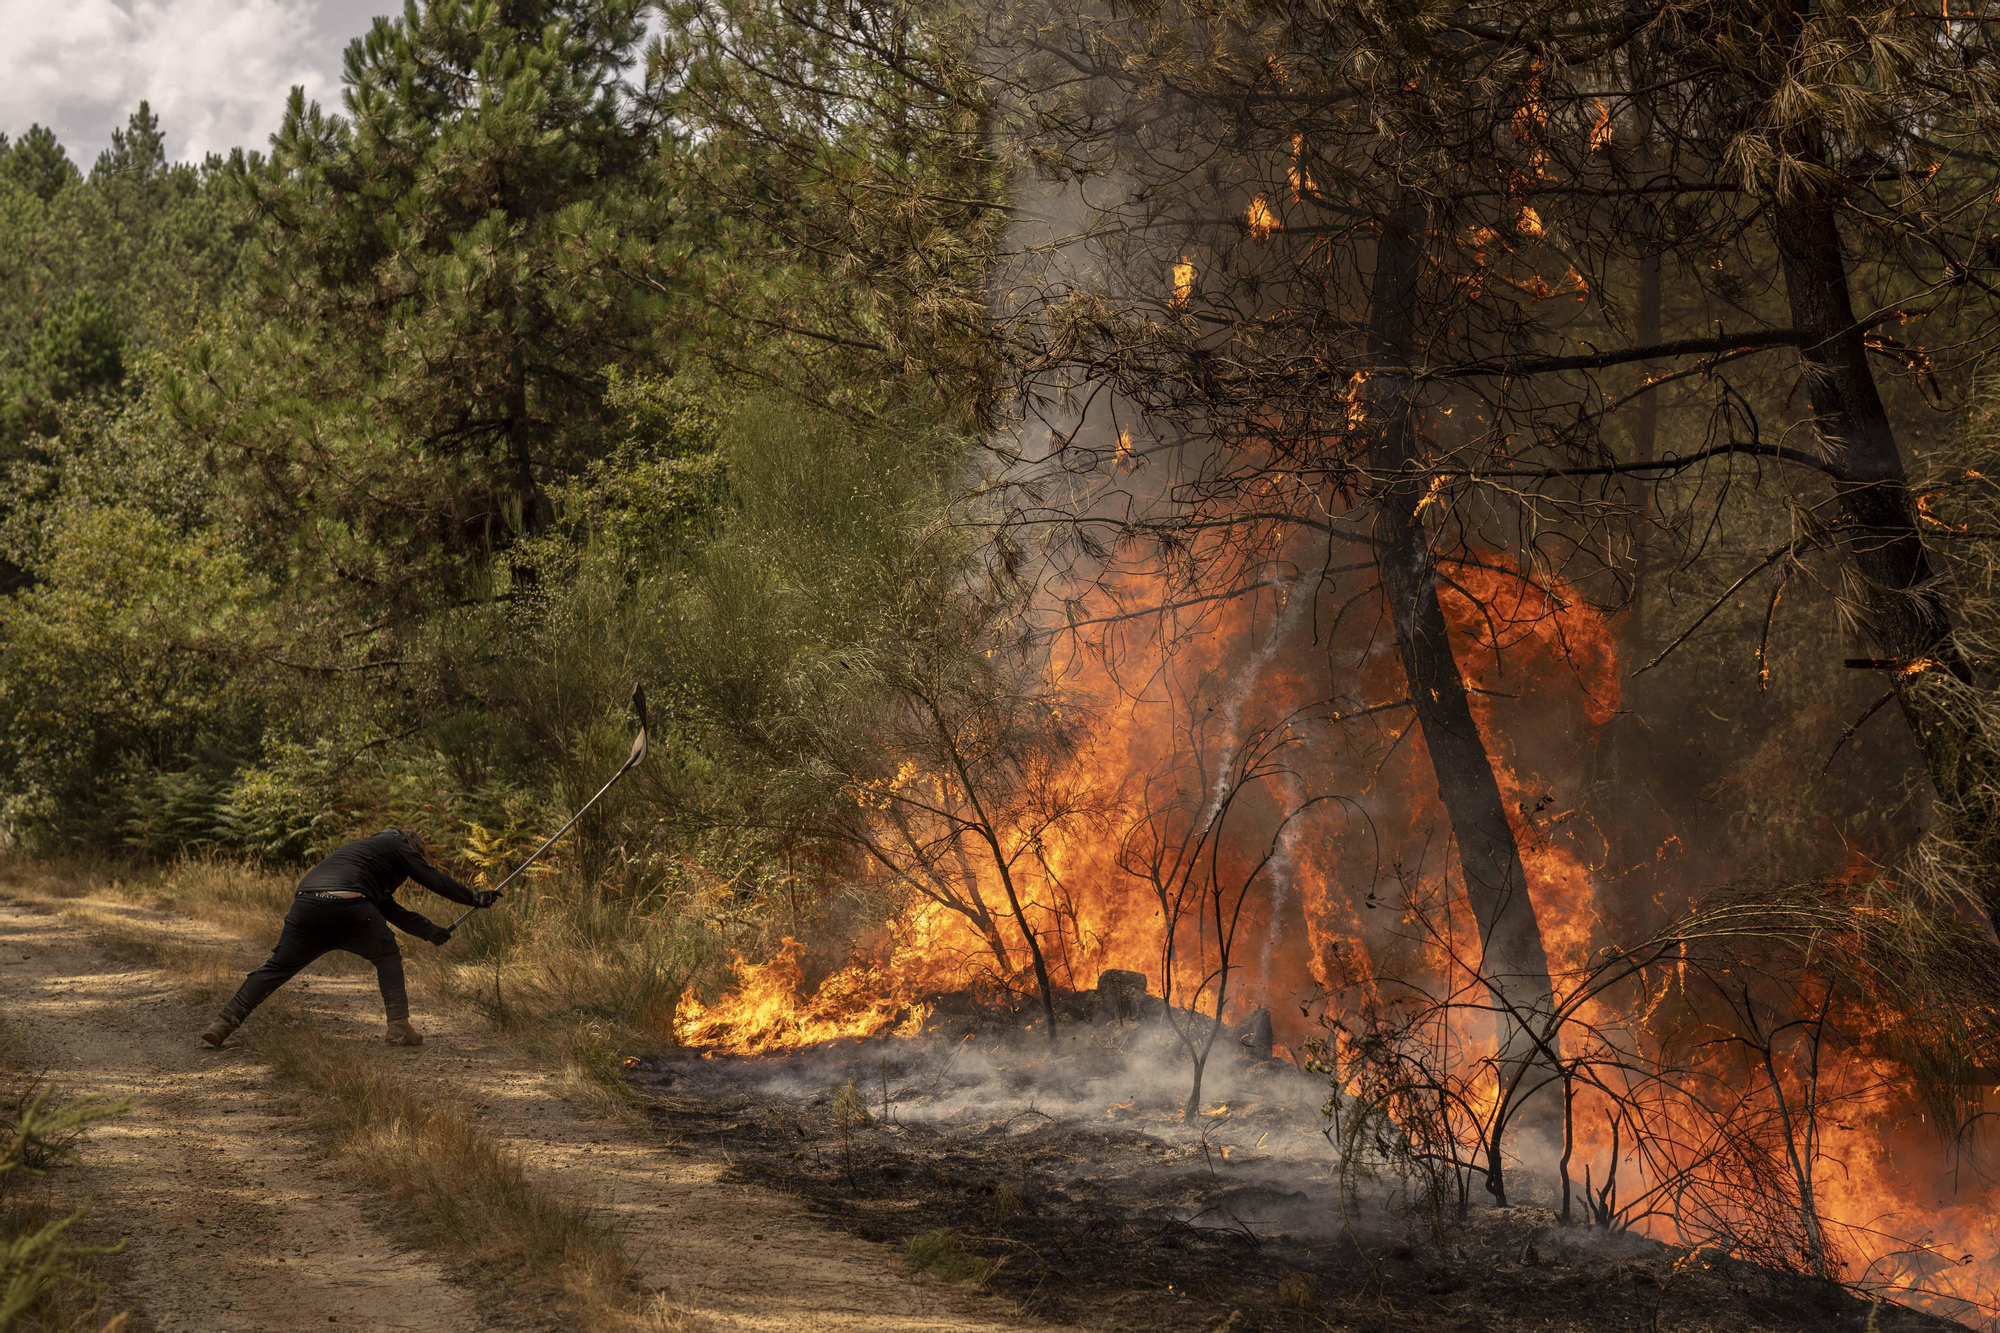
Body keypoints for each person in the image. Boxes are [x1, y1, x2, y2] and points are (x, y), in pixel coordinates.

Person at [201, 828, 498, 1048]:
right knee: (387, 956)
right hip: (349, 905)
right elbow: (431, 877)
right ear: (412, 847)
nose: (416, 861)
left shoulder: (362, 856)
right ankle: (397, 1025)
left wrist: (430, 931)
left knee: (277, 968)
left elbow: (387, 907)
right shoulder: (397, 842)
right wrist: (474, 897)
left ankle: (223, 1023)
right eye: (417, 855)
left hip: (306, 906)